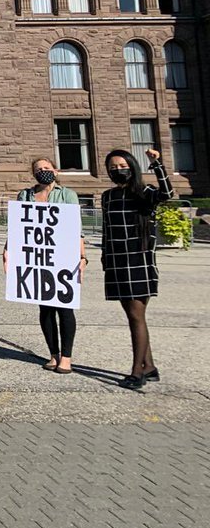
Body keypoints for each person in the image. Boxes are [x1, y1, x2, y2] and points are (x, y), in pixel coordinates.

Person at [102, 147, 171, 390]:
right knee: (133, 315)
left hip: (139, 261)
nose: (118, 170)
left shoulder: (144, 192)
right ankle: (149, 366)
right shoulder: (108, 196)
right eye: (113, 167)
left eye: (122, 166)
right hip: (117, 261)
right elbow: (107, 230)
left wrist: (157, 164)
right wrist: (105, 258)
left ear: (132, 167)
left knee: (136, 316)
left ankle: (137, 372)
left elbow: (167, 193)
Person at [15, 157, 85, 373]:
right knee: (45, 309)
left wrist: (82, 257)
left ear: (55, 170)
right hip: (38, 258)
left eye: (46, 168)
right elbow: (19, 228)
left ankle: (66, 357)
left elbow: (76, 228)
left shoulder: (67, 195)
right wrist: (10, 252)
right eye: (38, 169)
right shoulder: (25, 195)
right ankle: (53, 354)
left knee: (65, 308)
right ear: (33, 174)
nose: (42, 171)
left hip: (63, 256)